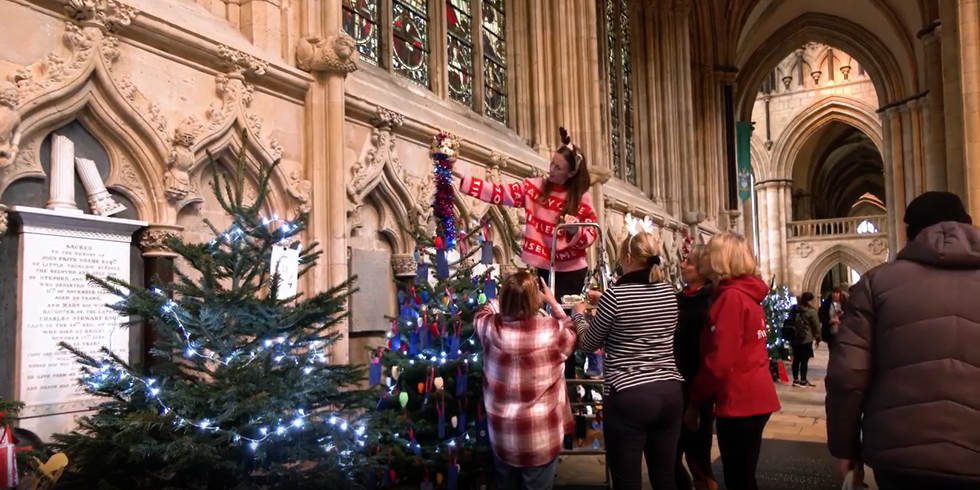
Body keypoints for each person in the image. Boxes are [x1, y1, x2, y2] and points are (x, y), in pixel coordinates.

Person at [826, 191, 980, 490]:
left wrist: (845, 449)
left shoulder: (876, 283)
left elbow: (848, 375)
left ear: (909, 232)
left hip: (899, 453)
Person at [570, 231, 684, 490]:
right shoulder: (668, 292)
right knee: (665, 477)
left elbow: (589, 343)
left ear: (629, 257)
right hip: (669, 392)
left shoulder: (616, 296)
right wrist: (606, 302)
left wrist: (579, 315)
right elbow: (648, 321)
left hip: (630, 395)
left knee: (627, 481)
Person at [458, 126, 597, 304]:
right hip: (545, 267)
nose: (551, 169)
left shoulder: (581, 198)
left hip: (572, 272)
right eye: (552, 163)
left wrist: (574, 230)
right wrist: (465, 178)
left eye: (558, 167)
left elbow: (592, 234)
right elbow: (498, 192)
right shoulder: (535, 187)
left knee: (566, 320)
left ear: (570, 173)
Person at [685, 232, 780, 490]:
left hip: (740, 400)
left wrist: (695, 398)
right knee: (743, 476)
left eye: (710, 253)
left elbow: (720, 361)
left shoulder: (732, 298)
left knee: (739, 478)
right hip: (753, 395)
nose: (704, 258)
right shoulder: (745, 294)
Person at [474, 271, 576, 490]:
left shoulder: (488, 328)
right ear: (534, 300)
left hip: (502, 436)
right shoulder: (552, 332)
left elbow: (483, 311)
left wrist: (507, 296)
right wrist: (552, 302)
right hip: (540, 437)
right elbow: (571, 332)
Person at [673, 245, 718, 490]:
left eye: (688, 262)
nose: (682, 265)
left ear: (702, 269)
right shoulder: (683, 297)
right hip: (676, 387)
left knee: (698, 459)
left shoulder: (708, 302)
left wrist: (696, 403)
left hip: (696, 391)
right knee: (671, 457)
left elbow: (706, 355)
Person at [788, 292, 821, 387]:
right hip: (806, 338)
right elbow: (816, 325)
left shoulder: (794, 309)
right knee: (804, 360)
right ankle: (803, 380)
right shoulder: (811, 311)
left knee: (796, 359)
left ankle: (795, 380)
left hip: (794, 337)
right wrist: (818, 337)